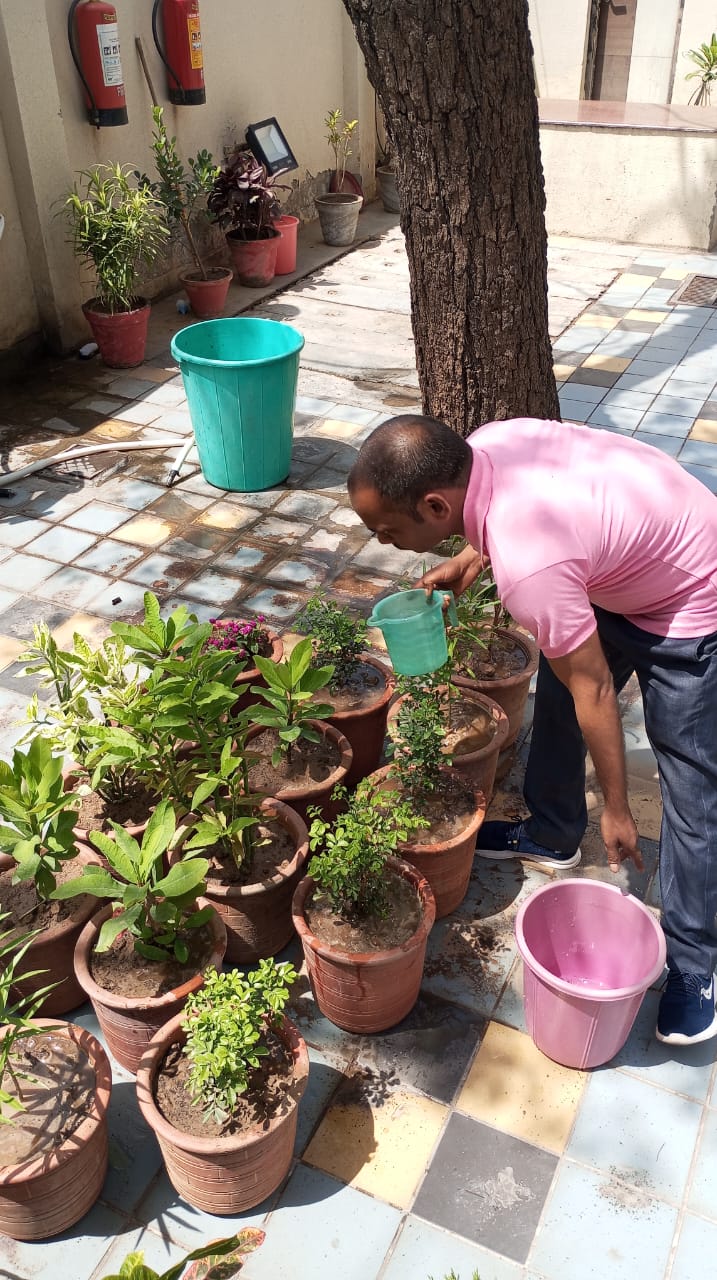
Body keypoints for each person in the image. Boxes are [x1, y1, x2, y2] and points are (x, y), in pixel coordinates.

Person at [348, 413, 717, 1047]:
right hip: (623, 565)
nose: (384, 542)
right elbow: (528, 507)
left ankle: (694, 963)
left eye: (387, 529)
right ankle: (552, 832)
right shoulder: (484, 446)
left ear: (435, 505)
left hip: (691, 591)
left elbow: (597, 689)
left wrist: (618, 810)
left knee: (691, 783)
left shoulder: (531, 570)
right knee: (559, 694)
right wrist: (472, 555)